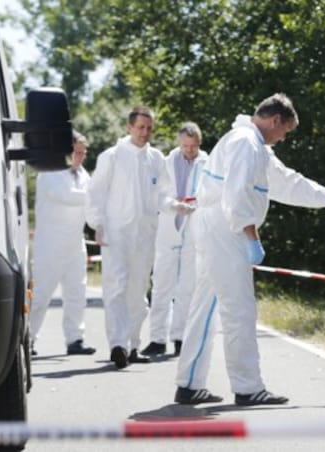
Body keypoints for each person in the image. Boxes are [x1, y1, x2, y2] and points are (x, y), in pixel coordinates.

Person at [173, 93, 325, 406]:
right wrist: (251, 238)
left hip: (212, 226)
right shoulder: (247, 144)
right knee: (239, 310)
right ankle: (247, 388)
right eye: (285, 131)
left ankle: (189, 384)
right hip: (225, 229)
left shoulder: (253, 144)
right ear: (275, 120)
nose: (283, 138)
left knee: (206, 308)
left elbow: (284, 182)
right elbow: (237, 196)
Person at [86, 106, 170, 370]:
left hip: (145, 233)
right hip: (116, 231)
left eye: (149, 128)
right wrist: (97, 224)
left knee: (137, 291)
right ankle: (118, 345)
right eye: (140, 127)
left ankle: (133, 345)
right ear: (129, 127)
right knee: (116, 287)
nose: (145, 133)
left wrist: (176, 206)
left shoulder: (156, 159)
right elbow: (95, 193)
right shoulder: (111, 157)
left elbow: (163, 194)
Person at [142, 122, 208, 357]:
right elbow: (157, 195)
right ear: (179, 143)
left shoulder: (207, 163)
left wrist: (195, 204)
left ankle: (180, 337)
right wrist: (174, 205)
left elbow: (212, 195)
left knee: (187, 286)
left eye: (193, 146)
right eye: (185, 146)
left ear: (199, 143)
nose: (189, 151)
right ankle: (157, 338)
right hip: (170, 225)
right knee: (161, 284)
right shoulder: (167, 162)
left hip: (194, 228)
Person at [29, 131, 96, 356]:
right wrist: (96, 196)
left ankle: (75, 339)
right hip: (49, 245)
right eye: (76, 152)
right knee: (40, 296)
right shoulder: (49, 173)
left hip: (75, 244)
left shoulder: (84, 176)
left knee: (77, 293)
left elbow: (89, 208)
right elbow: (67, 196)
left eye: (83, 153)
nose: (80, 157)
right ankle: (27, 339)